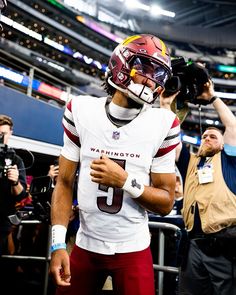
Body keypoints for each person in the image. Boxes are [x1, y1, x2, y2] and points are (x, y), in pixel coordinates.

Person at [49, 34, 180, 295]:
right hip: (85, 245)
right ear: (121, 64)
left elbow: (166, 203)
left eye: (158, 74)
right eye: (145, 68)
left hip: (133, 248)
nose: (152, 80)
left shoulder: (164, 123)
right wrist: (57, 244)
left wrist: (125, 181)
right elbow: (63, 183)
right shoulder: (81, 109)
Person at [160, 79, 236, 294]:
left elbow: (232, 126)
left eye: (213, 136)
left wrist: (212, 96)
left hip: (224, 244)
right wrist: (165, 106)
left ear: (224, 143)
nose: (207, 138)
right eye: (204, 136)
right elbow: (170, 142)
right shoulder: (191, 162)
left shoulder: (229, 159)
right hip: (192, 243)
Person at [0, 114, 27, 256]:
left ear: (10, 133)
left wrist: (15, 182)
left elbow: (21, 195)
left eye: (3, 134)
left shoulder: (15, 160)